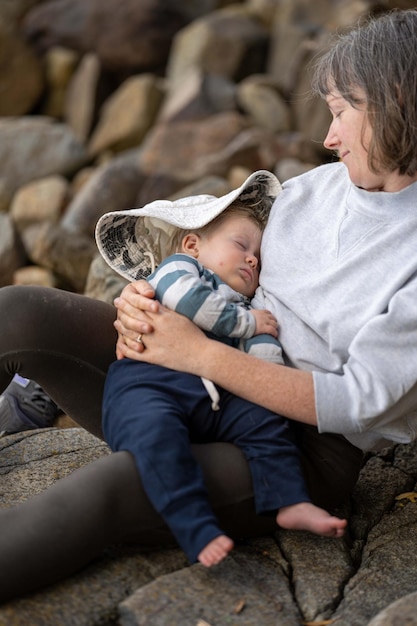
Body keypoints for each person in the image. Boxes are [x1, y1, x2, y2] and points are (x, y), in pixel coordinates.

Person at [0, 7, 415, 603]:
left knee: (122, 481)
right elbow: (214, 255)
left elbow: (359, 402)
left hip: (293, 447)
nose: (328, 138)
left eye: (342, 113)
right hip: (183, 376)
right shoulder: (315, 189)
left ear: (396, 101)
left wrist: (199, 355)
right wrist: (143, 303)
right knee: (20, 313)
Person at [96, 177, 347, 567]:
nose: (252, 260)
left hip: (217, 397)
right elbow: (188, 301)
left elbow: (262, 362)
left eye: (258, 259)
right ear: (194, 245)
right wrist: (247, 324)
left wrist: (263, 352)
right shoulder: (180, 270)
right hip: (150, 383)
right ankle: (195, 526)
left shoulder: (248, 305)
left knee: (265, 424)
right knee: (155, 433)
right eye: (241, 246)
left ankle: (290, 500)